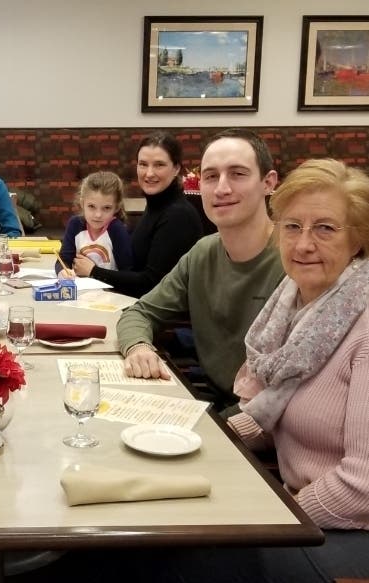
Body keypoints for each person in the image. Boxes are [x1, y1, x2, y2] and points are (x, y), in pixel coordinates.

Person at [100, 159, 369, 583]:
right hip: (297, 502)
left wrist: (273, 509)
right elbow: (272, 414)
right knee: (142, 523)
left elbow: (361, 487)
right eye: (293, 227)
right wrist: (195, 435)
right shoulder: (299, 308)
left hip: (343, 528)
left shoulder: (361, 328)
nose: (303, 245)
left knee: (176, 553)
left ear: (358, 240)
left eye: (325, 228)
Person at [117, 128, 284, 411]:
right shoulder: (203, 252)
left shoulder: (296, 260)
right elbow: (139, 313)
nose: (221, 188)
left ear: (268, 183)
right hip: (213, 402)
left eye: (238, 174)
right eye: (210, 176)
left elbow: (295, 390)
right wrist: (138, 348)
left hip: (265, 422)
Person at [67, 132, 203, 297]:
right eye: (143, 164)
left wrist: (94, 271)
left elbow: (151, 285)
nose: (149, 173)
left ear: (176, 169)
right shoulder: (155, 207)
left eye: (159, 165)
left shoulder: (178, 216)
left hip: (162, 317)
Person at [56, 171, 132, 277]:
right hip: (79, 289)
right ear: (82, 203)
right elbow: (63, 260)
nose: (98, 215)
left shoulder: (117, 230)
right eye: (91, 206)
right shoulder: (75, 224)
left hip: (109, 292)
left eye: (106, 208)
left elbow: (127, 272)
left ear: (117, 207)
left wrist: (93, 271)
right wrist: (62, 272)